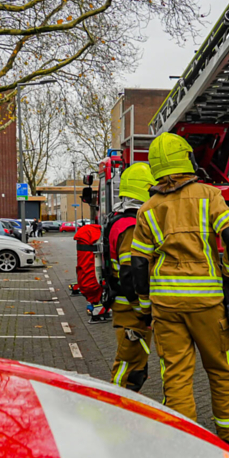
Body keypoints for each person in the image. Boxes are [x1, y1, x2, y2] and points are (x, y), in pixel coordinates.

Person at [131, 133, 229, 449]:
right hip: (207, 303)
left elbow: (139, 265)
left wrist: (145, 306)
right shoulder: (209, 195)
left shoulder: (147, 208)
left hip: (165, 306)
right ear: (187, 159)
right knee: (221, 370)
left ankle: (184, 443)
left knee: (175, 376)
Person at [104, 162, 157, 392]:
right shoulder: (131, 226)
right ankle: (116, 412)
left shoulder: (119, 220)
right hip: (131, 310)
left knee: (134, 366)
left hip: (125, 306)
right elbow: (130, 272)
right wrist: (141, 308)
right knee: (129, 369)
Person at [73, 222, 107, 322]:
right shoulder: (90, 233)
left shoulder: (85, 234)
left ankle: (95, 305)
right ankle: (97, 307)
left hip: (88, 273)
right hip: (91, 274)